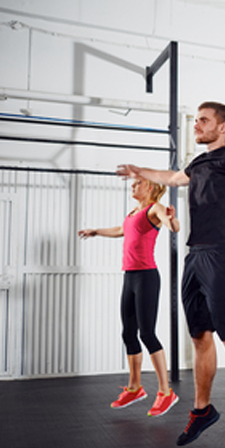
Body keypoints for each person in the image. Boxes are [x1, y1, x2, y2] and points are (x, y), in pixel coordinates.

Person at [117, 101, 225, 448]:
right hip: (195, 255)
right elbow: (174, 178)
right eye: (198, 120)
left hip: (222, 255)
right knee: (199, 337)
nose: (197, 125)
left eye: (203, 121)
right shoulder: (199, 162)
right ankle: (203, 409)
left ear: (222, 127)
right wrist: (139, 169)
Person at [78, 177, 181, 417]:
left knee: (147, 333)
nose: (133, 186)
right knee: (127, 333)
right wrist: (96, 231)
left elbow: (173, 227)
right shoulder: (134, 212)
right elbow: (120, 230)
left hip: (147, 277)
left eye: (137, 184)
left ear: (151, 187)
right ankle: (135, 387)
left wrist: (173, 218)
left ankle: (166, 393)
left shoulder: (154, 208)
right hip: (130, 277)